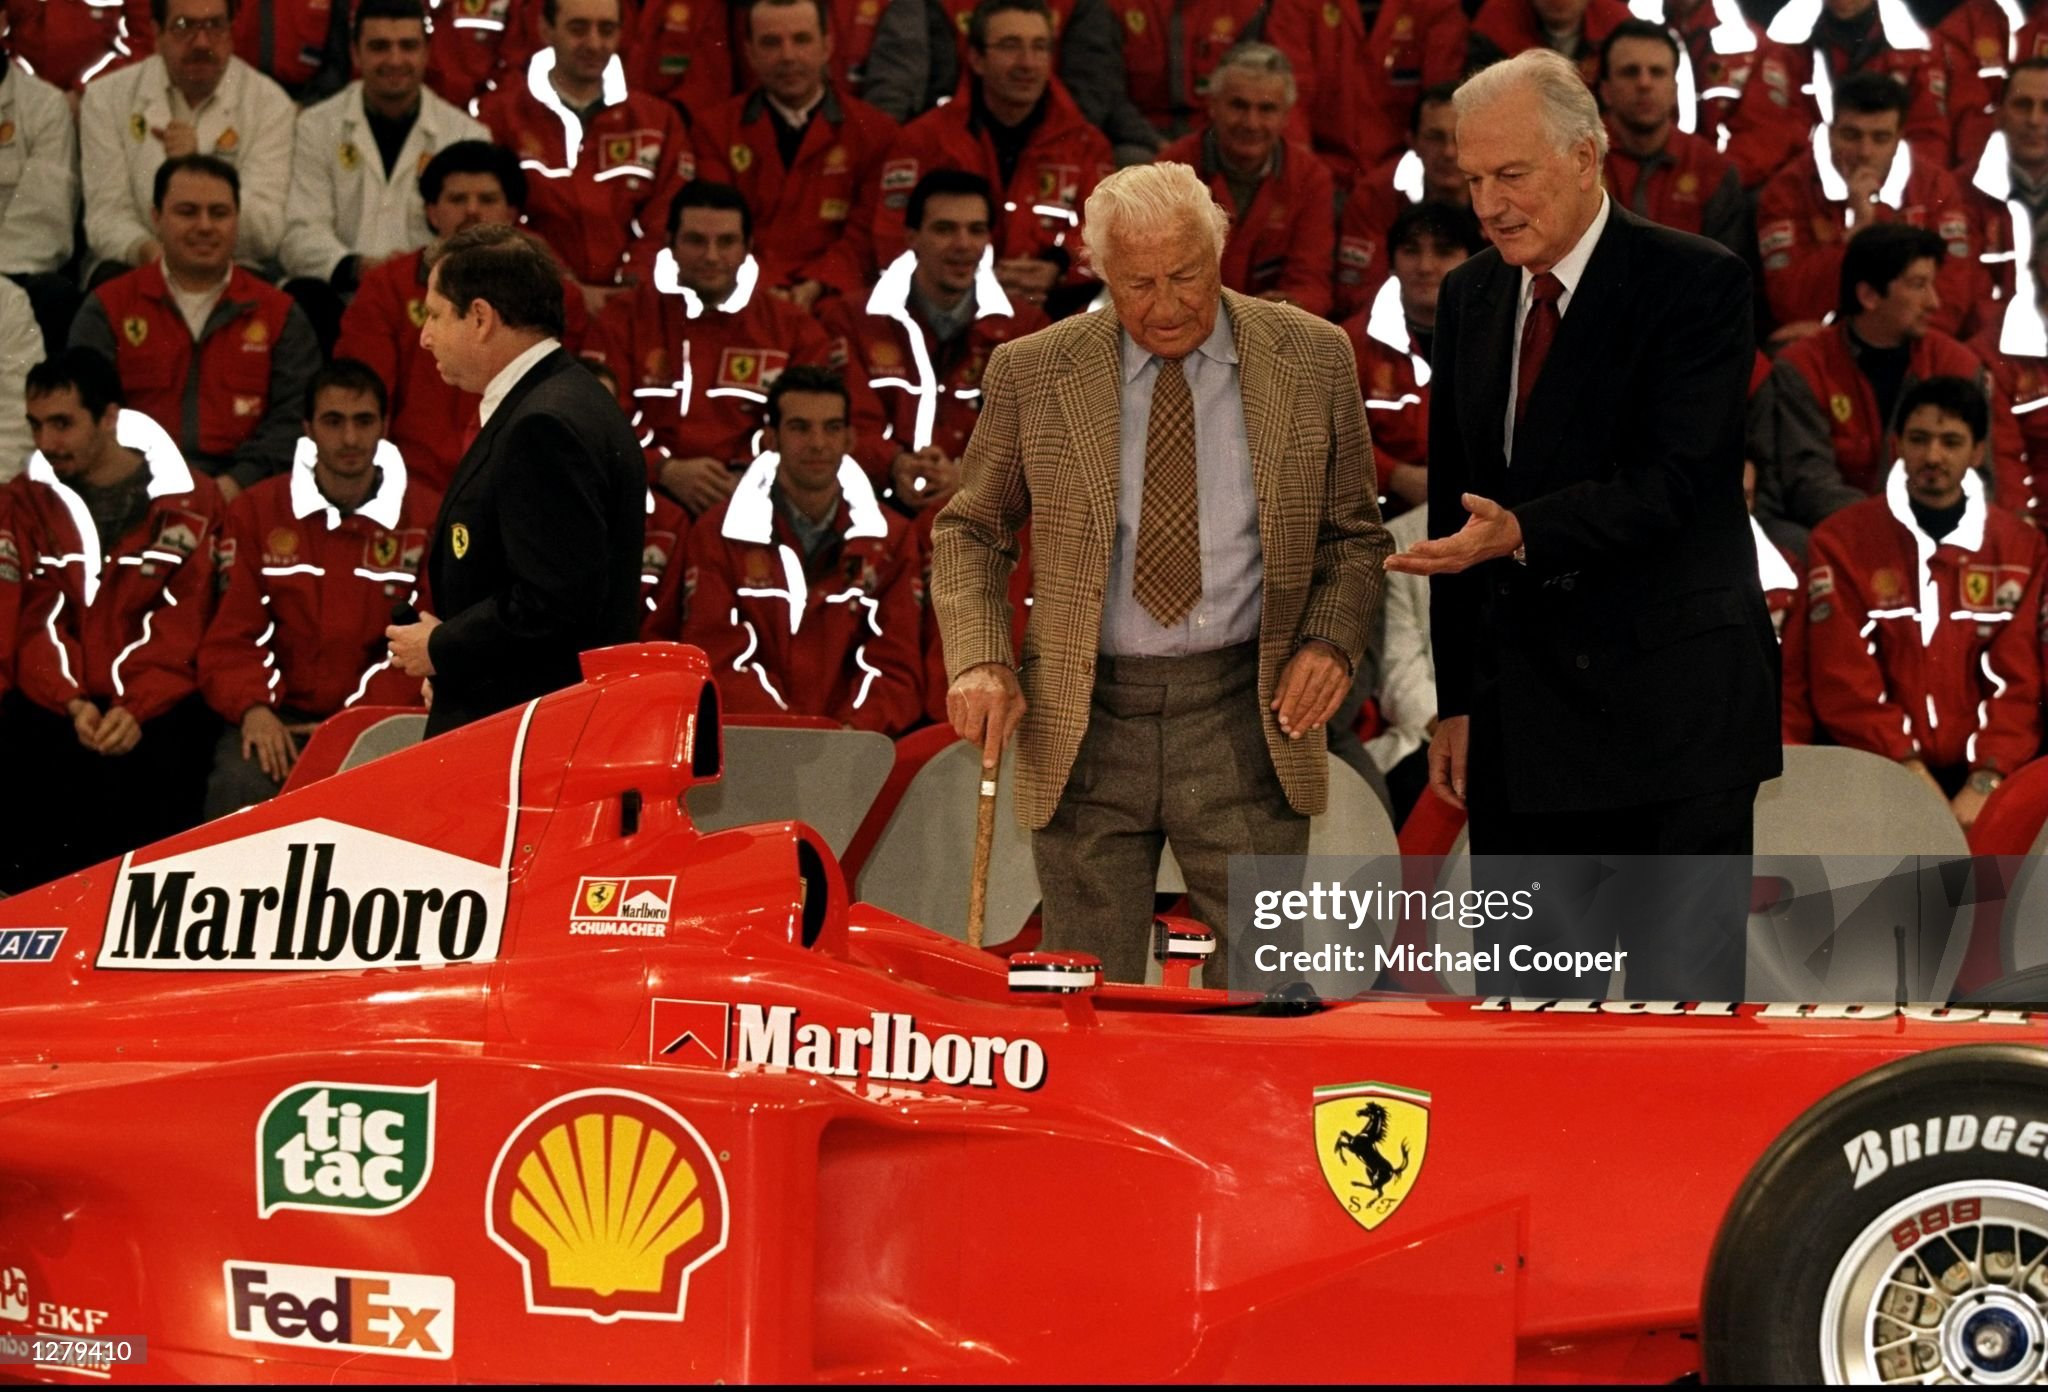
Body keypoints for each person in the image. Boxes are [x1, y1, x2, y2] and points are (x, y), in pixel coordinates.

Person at [931, 160, 1387, 986]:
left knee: (1258, 993)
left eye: (1187, 276)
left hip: (1248, 713)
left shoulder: (1312, 358)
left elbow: (1354, 537)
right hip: (1086, 715)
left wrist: (1329, 642)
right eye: (1139, 283)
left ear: (1221, 254)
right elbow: (970, 532)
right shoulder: (1035, 371)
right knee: (1083, 990)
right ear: (1100, 272)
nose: (1169, 306)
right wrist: (978, 656)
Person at [1388, 49, 1778, 999]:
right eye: (1471, 179)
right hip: (1522, 727)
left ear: (1587, 155)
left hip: (1670, 723)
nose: (1487, 206)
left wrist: (1521, 531)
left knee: (1670, 1036)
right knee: (1530, 1031)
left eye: (1510, 176)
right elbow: (1454, 511)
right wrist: (1460, 701)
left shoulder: (1697, 283)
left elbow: (1678, 481)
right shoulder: (1475, 295)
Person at [384, 222, 645, 735]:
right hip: (536, 720)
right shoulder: (569, 398)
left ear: (480, 317)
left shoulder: (541, 424)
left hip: (533, 738)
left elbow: (555, 605)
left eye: (435, 314)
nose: (425, 335)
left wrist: (440, 648)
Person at [0, 349, 222, 890]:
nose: (47, 442)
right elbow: (34, 618)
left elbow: (184, 619)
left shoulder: (189, 499)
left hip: (158, 697)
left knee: (171, 754)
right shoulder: (22, 503)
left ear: (108, 418)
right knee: (33, 751)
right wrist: (72, 699)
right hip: (59, 697)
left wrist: (136, 704)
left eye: (63, 423)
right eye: (37, 426)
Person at [197, 359, 441, 817]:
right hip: (279, 719)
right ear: (307, 428)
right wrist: (253, 708)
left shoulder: (427, 516)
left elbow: (422, 644)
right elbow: (232, 636)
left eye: (363, 421)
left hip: (380, 718)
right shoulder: (256, 512)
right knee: (237, 782)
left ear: (385, 426)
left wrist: (353, 726)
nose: (350, 439)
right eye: (333, 421)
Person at [1802, 376, 2044, 829]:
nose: (1933, 456)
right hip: (1872, 771)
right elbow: (1845, 678)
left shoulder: (2021, 549)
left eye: (1951, 441)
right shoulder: (1839, 542)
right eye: (1919, 439)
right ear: (1897, 445)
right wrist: (1906, 770)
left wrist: (1987, 778)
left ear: (1976, 452)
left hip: (1990, 776)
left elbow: (2018, 679)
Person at [683, 365, 926, 731]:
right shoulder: (718, 534)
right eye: (800, 428)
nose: (817, 443)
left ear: (849, 439)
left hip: (858, 754)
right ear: (771, 439)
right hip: (753, 748)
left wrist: (850, 735)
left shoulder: (891, 538)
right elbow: (717, 656)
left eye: (831, 428)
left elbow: (895, 664)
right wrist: (791, 738)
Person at [70, 155, 322, 501]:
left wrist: (232, 487)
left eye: (219, 213)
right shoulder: (107, 308)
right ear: (156, 218)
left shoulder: (280, 314)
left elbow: (294, 422)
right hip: (133, 498)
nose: (205, 226)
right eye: (187, 212)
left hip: (247, 500)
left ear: (237, 219)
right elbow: (86, 418)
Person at [584, 180, 837, 516]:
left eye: (727, 242)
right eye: (696, 241)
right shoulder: (623, 318)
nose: (712, 256)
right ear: (670, 243)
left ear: (748, 247)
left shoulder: (795, 330)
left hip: (757, 501)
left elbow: (810, 428)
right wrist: (662, 468)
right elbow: (598, 419)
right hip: (639, 495)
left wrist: (746, 475)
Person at [1760, 222, 2022, 540]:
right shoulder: (1804, 367)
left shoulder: (1957, 365)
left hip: (1938, 533)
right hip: (1839, 538)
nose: (1934, 302)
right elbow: (1808, 483)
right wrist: (1888, 533)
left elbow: (1978, 477)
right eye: (1917, 285)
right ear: (1869, 295)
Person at [823, 169, 1047, 509]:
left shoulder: (1027, 328)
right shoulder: (849, 320)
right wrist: (894, 465)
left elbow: (1042, 436)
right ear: (911, 237)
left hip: (986, 516)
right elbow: (838, 424)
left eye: (976, 230)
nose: (963, 245)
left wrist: (969, 478)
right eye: (944, 229)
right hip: (873, 507)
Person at [872, 0, 1111, 311]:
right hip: (947, 317)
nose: (1027, 63)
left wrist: (1060, 268)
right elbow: (892, 240)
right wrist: (978, 283)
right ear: (976, 58)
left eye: (1040, 47)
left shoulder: (1087, 145)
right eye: (1010, 46)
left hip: (1052, 316)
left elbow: (1108, 239)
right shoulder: (922, 141)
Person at [475, 0, 695, 314]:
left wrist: (631, 283)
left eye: (606, 30)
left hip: (633, 306)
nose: (593, 43)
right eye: (578, 29)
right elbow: (493, 214)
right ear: (546, 30)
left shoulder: (658, 121)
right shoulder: (499, 115)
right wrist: (564, 284)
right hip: (529, 302)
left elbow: (669, 214)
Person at [687, 0, 900, 308]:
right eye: (771, 43)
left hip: (838, 302)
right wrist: (766, 287)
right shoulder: (714, 131)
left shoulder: (876, 134)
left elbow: (865, 235)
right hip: (744, 300)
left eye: (801, 40)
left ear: (827, 46)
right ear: (750, 53)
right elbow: (717, 228)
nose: (787, 56)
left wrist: (818, 285)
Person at [279, 0, 490, 299]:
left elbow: (473, 242)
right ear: (355, 52)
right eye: (379, 46)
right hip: (340, 294)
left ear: (426, 52)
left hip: (432, 300)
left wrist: (404, 272)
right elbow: (298, 234)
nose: (394, 59)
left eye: (407, 46)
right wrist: (358, 268)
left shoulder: (466, 136)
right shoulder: (315, 126)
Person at [78, 0, 297, 281]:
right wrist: (153, 255)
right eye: (184, 27)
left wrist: (198, 166)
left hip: (234, 267)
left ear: (231, 31)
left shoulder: (270, 103)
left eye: (215, 26)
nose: (202, 42)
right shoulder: (106, 98)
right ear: (157, 33)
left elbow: (266, 231)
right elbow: (106, 216)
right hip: (138, 263)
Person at [1755, 71, 1977, 340]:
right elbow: (1791, 304)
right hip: (1822, 349)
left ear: (1898, 139)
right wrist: (1857, 230)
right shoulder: (1787, 190)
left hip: (1908, 344)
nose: (1865, 152)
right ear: (1831, 131)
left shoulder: (1935, 187)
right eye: (1851, 135)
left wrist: (1872, 339)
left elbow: (1949, 301)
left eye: (1880, 138)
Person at [1156, 43, 1336, 316]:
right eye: (1238, 105)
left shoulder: (1311, 179)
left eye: (1266, 109)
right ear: (1212, 105)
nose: (1251, 123)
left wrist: (1278, 312)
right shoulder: (1169, 170)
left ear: (1286, 116)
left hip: (1273, 330)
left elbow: (1311, 283)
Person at [1342, 200, 1483, 515]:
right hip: (1378, 513)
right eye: (1412, 251)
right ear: (1391, 261)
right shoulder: (1348, 342)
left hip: (1480, 512)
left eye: (1444, 252)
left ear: (1474, 262)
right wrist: (1394, 475)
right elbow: (1326, 436)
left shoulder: (1503, 334)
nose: (1425, 267)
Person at [1723, 0, 1955, 189]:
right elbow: (1773, 131)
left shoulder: (1920, 48)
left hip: (1896, 183)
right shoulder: (1785, 44)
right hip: (1807, 184)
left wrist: (1890, 185)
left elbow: (1928, 136)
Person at [1598, 20, 1747, 256]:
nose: (1644, 83)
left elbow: (1722, 278)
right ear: (1605, 91)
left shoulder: (1713, 171)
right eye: (1630, 72)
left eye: (1657, 72)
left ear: (1674, 90)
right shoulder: (1576, 160)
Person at [1336, 80, 1469, 319]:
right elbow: (1358, 293)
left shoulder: (1505, 194)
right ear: (1413, 142)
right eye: (1435, 137)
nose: (1449, 152)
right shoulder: (1376, 195)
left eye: (1460, 137)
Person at [1958, 57, 2048, 328]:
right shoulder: (1959, 193)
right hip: (1994, 349)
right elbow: (1966, 299)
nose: (2034, 120)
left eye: (2047, 108)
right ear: (1999, 115)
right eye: (2022, 105)